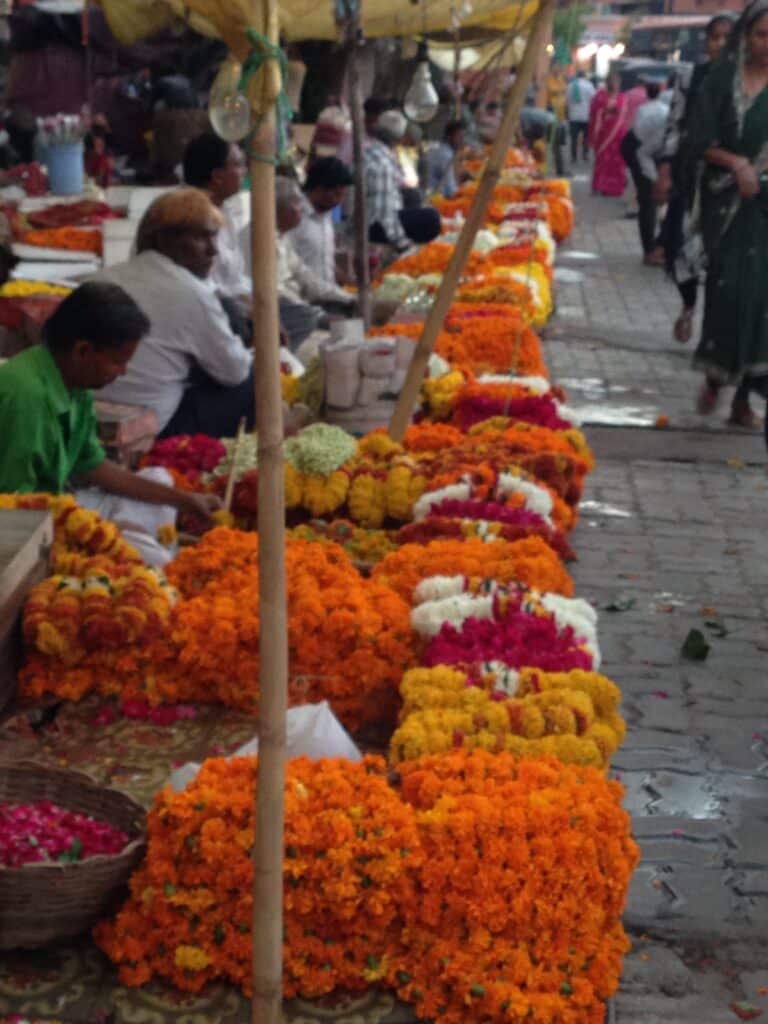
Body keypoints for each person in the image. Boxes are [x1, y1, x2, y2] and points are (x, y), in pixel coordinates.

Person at [0, 282, 219, 562]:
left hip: (52, 510)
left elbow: (94, 466)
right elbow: (14, 512)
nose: (124, 371)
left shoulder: (75, 385)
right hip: (22, 529)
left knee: (158, 480)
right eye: (117, 361)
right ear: (83, 351)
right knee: (151, 558)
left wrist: (186, 501)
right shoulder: (25, 395)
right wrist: (103, 532)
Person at [95, 188, 254, 438]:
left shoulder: (105, 277)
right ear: (165, 240)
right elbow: (235, 373)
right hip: (149, 429)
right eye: (202, 239)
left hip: (90, 418)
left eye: (214, 238)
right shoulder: (191, 294)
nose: (213, 251)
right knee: (256, 382)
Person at [690, 0, 768, 431]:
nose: (767, 44)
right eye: (761, 34)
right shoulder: (723, 80)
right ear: (746, 36)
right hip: (725, 204)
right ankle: (716, 374)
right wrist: (736, 164)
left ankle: (743, 397)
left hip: (765, 208)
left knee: (761, 300)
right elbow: (698, 138)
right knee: (727, 292)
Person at [654, 14, 735, 344]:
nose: (719, 44)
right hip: (692, 176)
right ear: (706, 42)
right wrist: (665, 171)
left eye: (726, 38)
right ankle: (689, 306)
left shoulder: (748, 82)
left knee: (722, 258)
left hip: (731, 181)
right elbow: (674, 125)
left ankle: (716, 332)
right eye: (714, 37)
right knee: (680, 251)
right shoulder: (690, 77)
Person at [272, 176, 356, 349]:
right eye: (296, 204)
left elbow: (305, 276)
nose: (301, 210)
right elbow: (279, 293)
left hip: (305, 308)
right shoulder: (263, 242)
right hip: (287, 317)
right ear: (279, 210)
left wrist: (348, 299)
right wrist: (317, 315)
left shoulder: (282, 238)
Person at [183, 132, 249, 303]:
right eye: (238, 165)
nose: (244, 171)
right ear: (217, 176)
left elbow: (236, 278)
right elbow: (205, 288)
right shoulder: (188, 216)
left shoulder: (226, 209)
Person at [363, 109, 440, 253]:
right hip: (371, 225)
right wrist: (403, 244)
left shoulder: (373, 151)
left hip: (371, 217)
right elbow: (384, 215)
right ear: (400, 138)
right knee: (431, 218)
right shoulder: (382, 163)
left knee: (413, 195)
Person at [287, 156, 353, 287]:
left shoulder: (326, 216)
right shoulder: (294, 218)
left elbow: (324, 261)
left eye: (343, 195)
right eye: (338, 194)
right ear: (319, 190)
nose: (340, 201)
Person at [627, 81, 670, 264]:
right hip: (638, 149)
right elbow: (642, 151)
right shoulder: (666, 118)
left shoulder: (648, 109)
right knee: (649, 202)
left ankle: (663, 247)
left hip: (650, 153)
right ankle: (649, 251)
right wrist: (655, 180)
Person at [588, 71, 629, 197]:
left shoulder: (623, 97)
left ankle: (613, 188)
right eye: (612, 82)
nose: (614, 84)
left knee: (616, 162)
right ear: (607, 83)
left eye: (616, 82)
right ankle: (600, 185)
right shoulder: (599, 96)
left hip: (618, 135)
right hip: (603, 134)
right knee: (602, 160)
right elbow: (593, 114)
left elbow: (624, 116)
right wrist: (606, 112)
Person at [422, 120, 465, 198]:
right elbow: (451, 189)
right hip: (434, 198)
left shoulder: (442, 149)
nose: (462, 140)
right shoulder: (445, 155)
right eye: (459, 136)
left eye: (462, 136)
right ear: (449, 137)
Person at [566, 70, 596, 164]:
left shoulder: (570, 86)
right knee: (586, 137)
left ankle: (573, 156)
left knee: (574, 137)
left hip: (573, 115)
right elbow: (594, 99)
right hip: (586, 115)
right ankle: (585, 155)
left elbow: (567, 100)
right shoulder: (589, 85)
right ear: (584, 76)